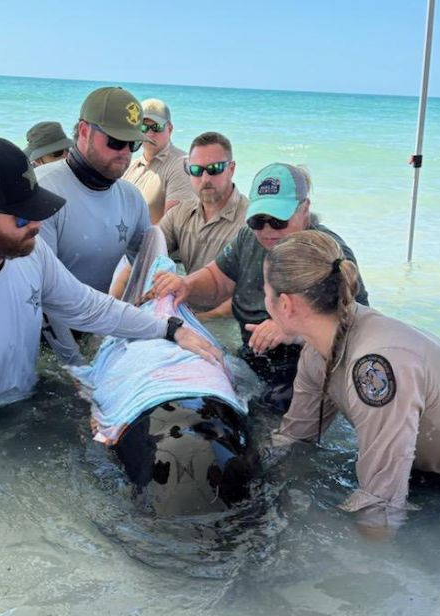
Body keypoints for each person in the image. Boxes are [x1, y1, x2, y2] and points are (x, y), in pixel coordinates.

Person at [0, 137, 220, 435]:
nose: (38, 225)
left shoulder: (29, 251)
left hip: (26, 394)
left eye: (36, 210)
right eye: (23, 218)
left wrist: (169, 329)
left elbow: (86, 306)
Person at [264, 231, 440, 529]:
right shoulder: (317, 352)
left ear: (286, 305)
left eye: (264, 290)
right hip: (418, 470)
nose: (261, 297)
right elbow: (295, 438)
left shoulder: (377, 365)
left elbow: (380, 506)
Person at [152, 163, 368, 412]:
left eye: (278, 221)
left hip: (306, 372)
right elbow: (217, 278)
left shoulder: (329, 254)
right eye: (258, 220)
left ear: (304, 209)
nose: (266, 230)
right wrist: (186, 285)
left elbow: (357, 327)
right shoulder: (248, 238)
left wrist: (293, 329)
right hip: (253, 361)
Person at [36, 86, 153, 364]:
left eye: (133, 144)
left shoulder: (132, 198)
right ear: (84, 131)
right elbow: (41, 296)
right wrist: (75, 364)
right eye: (115, 141)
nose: (125, 153)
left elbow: (150, 271)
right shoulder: (42, 189)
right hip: (37, 339)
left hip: (91, 329)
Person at [159, 132, 248, 310]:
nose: (205, 179)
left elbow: (251, 294)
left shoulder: (251, 223)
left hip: (226, 321)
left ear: (231, 169)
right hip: (187, 308)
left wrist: (201, 321)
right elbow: (146, 254)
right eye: (197, 171)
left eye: (214, 169)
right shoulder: (179, 214)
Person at [122, 98, 195, 224]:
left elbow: (173, 228)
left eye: (156, 127)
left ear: (170, 128)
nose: (149, 133)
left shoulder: (181, 165)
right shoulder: (130, 166)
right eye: (143, 127)